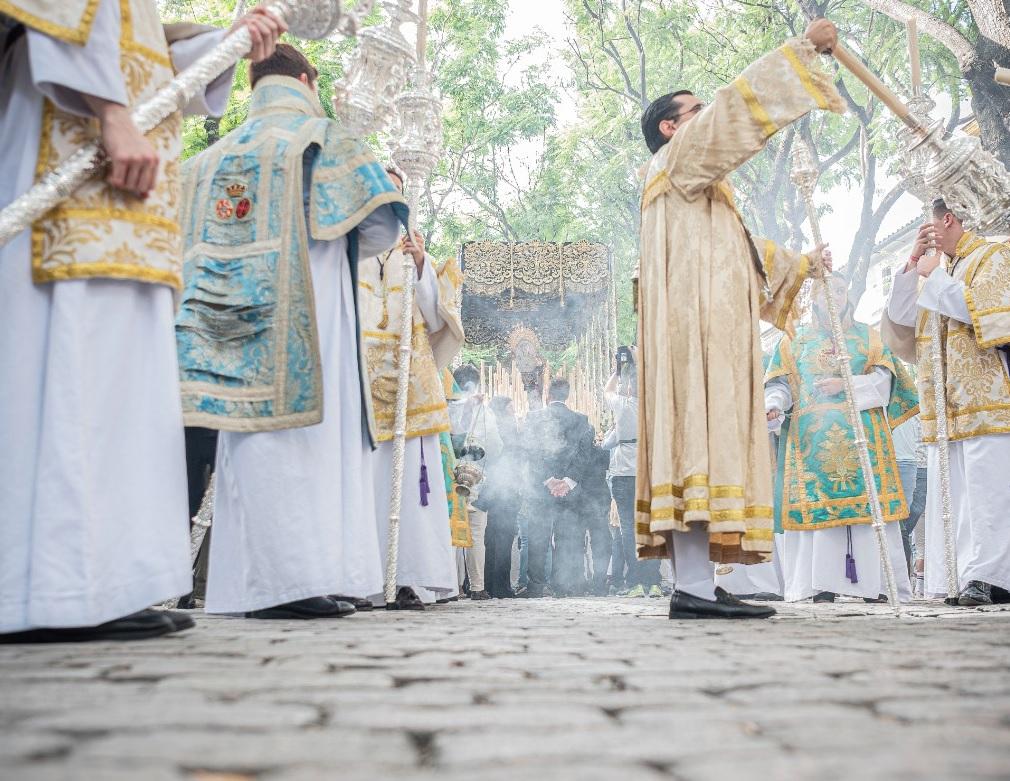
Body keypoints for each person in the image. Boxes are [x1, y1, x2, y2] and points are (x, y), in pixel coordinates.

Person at [0, 0, 283, 642]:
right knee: (60, 353)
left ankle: (101, 583)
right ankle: (42, 586)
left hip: (127, 177)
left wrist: (227, 43)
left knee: (117, 376)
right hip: (68, 136)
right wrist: (110, 112)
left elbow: (150, 61)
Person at [175, 45, 406, 620]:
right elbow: (379, 227)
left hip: (226, 321)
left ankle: (249, 587)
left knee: (247, 447)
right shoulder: (321, 136)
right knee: (308, 445)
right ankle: (298, 584)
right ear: (306, 78)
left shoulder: (209, 157)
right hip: (311, 310)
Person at [636, 18, 841, 619]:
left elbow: (745, 262)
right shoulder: (677, 160)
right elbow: (734, 111)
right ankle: (692, 590)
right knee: (693, 444)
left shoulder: (705, 189)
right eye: (693, 110)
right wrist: (802, 50)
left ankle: (697, 583)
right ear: (672, 128)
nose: (707, 114)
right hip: (691, 336)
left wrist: (800, 264)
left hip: (712, 335)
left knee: (700, 445)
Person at [881, 199, 1010, 606]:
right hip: (943, 404)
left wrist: (935, 278)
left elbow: (993, 316)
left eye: (928, 228)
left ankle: (990, 576)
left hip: (985, 400)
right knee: (950, 495)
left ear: (948, 220)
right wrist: (913, 264)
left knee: (986, 493)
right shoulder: (935, 270)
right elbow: (901, 321)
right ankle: (955, 577)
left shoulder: (993, 255)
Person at [765, 276, 917, 603]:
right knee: (820, 511)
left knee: (869, 515)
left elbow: (883, 386)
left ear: (846, 294)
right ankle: (819, 585)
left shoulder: (869, 337)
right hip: (812, 444)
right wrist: (773, 406)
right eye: (825, 291)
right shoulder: (795, 340)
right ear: (813, 297)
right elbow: (780, 385)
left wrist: (847, 385)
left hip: (863, 439)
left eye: (838, 289)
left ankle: (877, 585)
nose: (833, 296)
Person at [359, 170, 465, 609]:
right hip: (361, 381)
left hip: (409, 384)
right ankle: (360, 581)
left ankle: (410, 579)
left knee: (409, 487)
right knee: (362, 483)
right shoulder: (346, 247)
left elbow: (438, 321)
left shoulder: (414, 253)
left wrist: (422, 266)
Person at [522, 378, 596, 598]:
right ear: (568, 395)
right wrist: (568, 481)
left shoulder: (534, 418)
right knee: (567, 537)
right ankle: (562, 586)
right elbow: (585, 454)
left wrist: (548, 479)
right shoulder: (581, 420)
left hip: (541, 489)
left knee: (538, 538)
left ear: (548, 394)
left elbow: (530, 451)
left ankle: (535, 587)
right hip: (570, 490)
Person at [605, 348, 662, 598]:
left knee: (628, 528)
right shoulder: (654, 407)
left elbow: (607, 390)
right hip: (650, 471)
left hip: (624, 472)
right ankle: (655, 582)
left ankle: (636, 582)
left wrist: (618, 371)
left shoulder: (621, 405)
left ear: (628, 388)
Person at [449, 368, 503, 601]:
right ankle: (477, 587)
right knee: (476, 535)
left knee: (449, 533)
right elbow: (497, 447)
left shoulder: (447, 406)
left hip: (449, 474)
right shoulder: (486, 412)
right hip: (476, 478)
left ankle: (450, 587)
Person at [482, 396, 524, 599]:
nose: (514, 411)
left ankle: (489, 583)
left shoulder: (490, 426)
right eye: (511, 408)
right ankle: (502, 586)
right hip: (506, 490)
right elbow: (517, 457)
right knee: (504, 539)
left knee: (491, 538)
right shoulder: (508, 428)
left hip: (491, 490)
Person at [891, 414, 928, 590]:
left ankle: (901, 580)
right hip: (898, 458)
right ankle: (900, 581)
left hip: (921, 460)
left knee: (907, 523)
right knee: (900, 526)